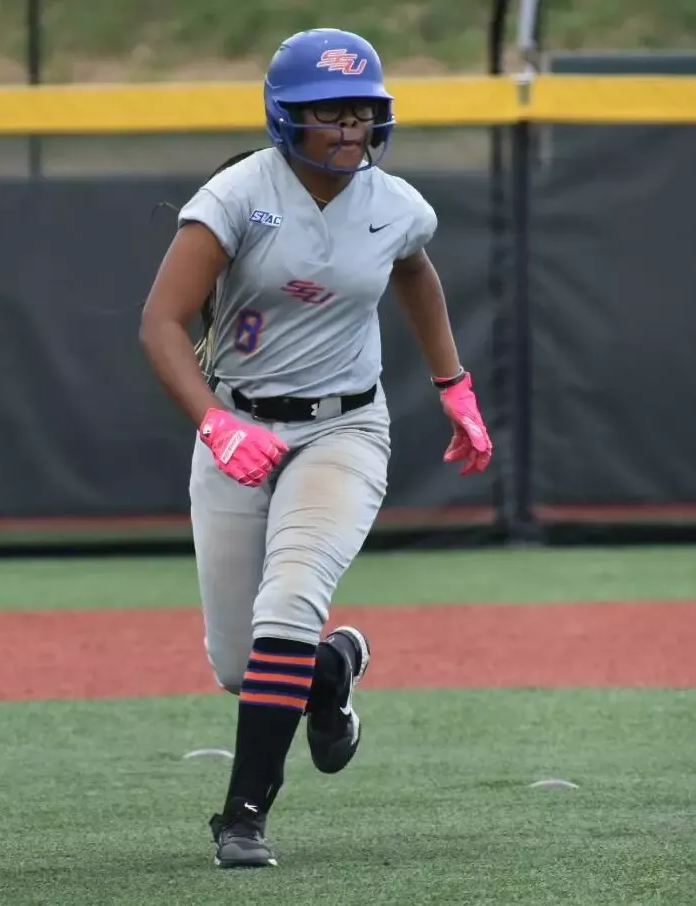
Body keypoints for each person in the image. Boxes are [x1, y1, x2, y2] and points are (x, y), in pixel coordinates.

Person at [138, 26, 493, 869]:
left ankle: (242, 817)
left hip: (345, 426)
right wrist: (215, 424)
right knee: (237, 661)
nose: (348, 128)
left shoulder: (396, 203)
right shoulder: (235, 197)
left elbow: (412, 269)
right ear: (283, 116)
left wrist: (454, 387)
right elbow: (159, 323)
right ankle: (330, 671)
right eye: (328, 111)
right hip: (239, 423)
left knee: (287, 603)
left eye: (362, 111)